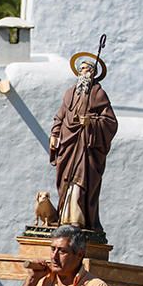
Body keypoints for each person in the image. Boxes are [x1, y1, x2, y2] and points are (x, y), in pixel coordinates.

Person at [49, 58, 118, 232]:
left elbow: (110, 122)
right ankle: (64, 217)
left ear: (93, 73)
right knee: (66, 180)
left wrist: (91, 122)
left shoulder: (98, 94)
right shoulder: (70, 93)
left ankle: (78, 219)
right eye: (81, 69)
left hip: (86, 146)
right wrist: (55, 134)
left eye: (87, 69)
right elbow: (60, 116)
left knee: (80, 181)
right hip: (68, 143)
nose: (83, 72)